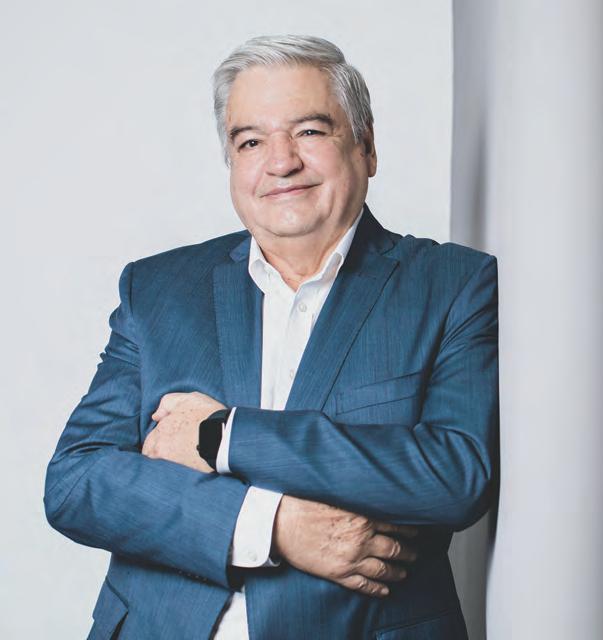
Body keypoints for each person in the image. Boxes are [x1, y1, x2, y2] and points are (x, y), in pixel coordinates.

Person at [43, 34, 498, 640]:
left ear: (366, 147)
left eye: (309, 131)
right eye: (251, 141)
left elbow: (455, 476)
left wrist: (222, 435)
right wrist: (271, 526)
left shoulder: (452, 284)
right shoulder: (157, 290)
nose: (281, 162)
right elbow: (77, 481)